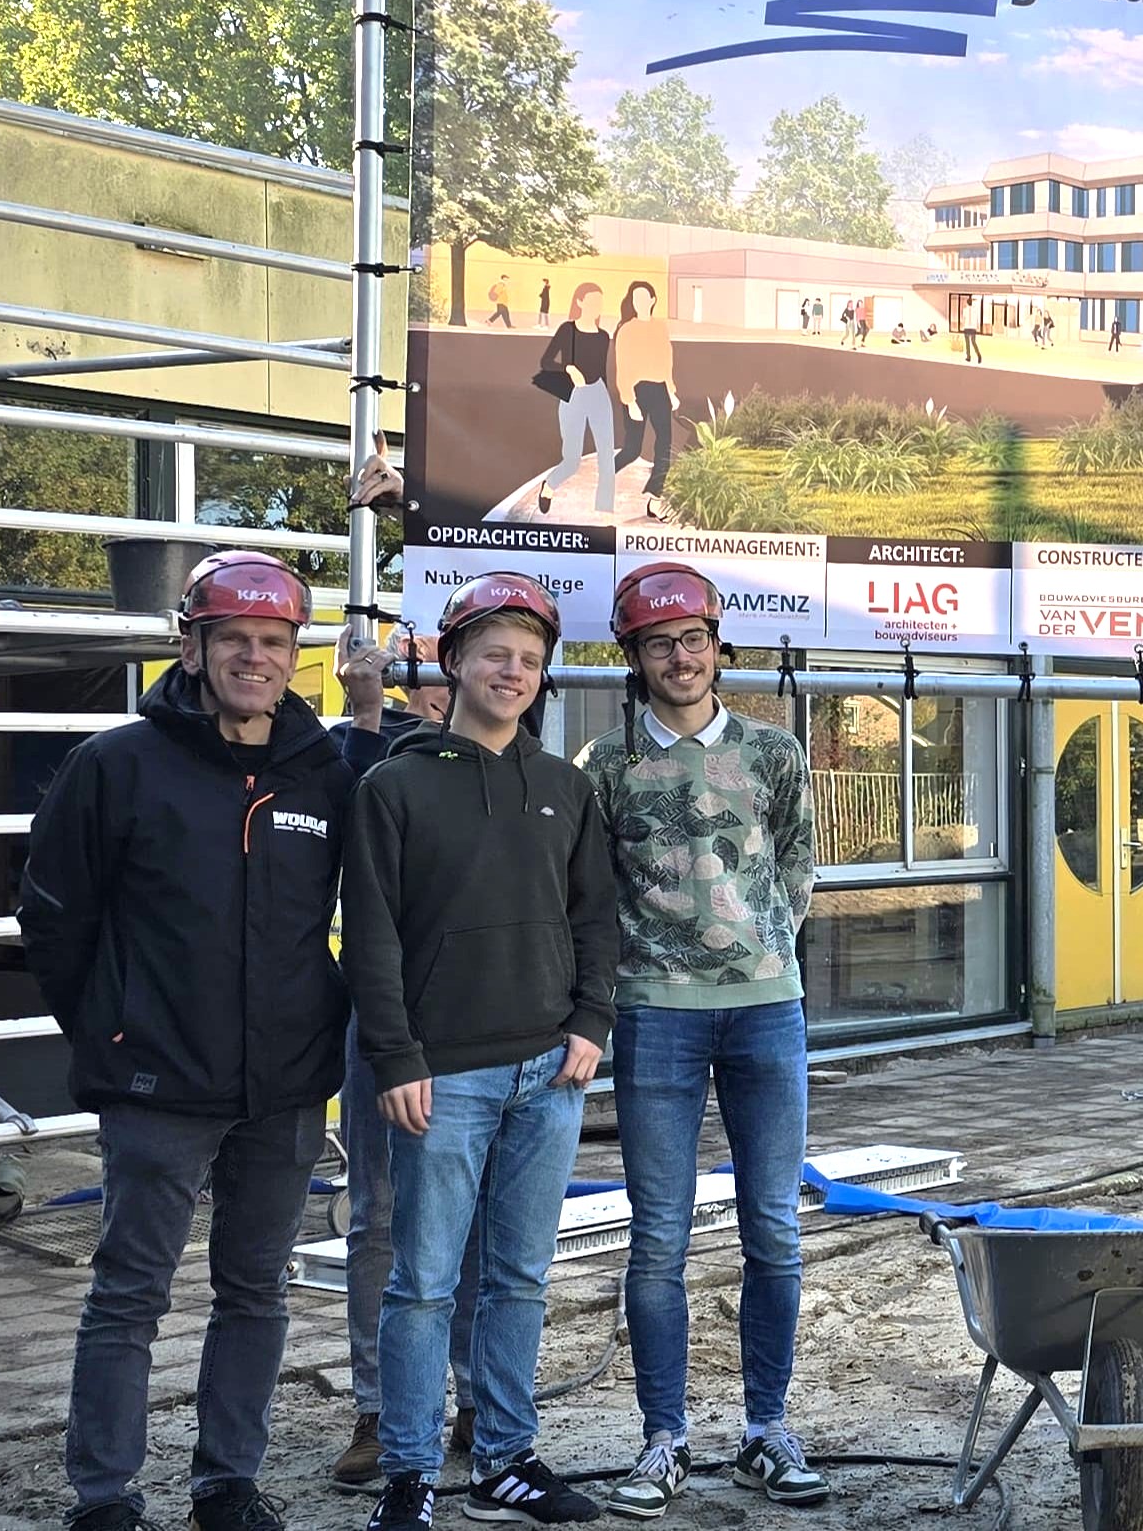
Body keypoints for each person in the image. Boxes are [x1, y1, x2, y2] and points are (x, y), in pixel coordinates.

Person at [20, 551, 357, 1531]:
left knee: (255, 1288)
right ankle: (105, 1496)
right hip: (156, 1083)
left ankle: (226, 1484)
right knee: (130, 1289)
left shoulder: (324, 774)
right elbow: (53, 915)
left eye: (274, 641)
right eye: (235, 639)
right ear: (191, 644)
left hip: (285, 1085)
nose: (255, 657)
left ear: (296, 654)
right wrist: (110, 1030)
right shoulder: (117, 765)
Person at [346, 573, 622, 1529]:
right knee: (421, 1282)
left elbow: (597, 915)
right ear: (453, 659)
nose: (513, 672)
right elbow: (371, 933)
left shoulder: (564, 787)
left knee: (518, 1276)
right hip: (442, 1076)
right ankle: (412, 1473)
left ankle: (506, 1457)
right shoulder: (394, 785)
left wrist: (592, 1022)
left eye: (530, 660)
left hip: (549, 1071)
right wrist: (395, 1057)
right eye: (495, 654)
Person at [573, 563, 828, 1518]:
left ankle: (767, 1428)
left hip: (766, 1009)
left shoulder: (774, 753)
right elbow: (591, 890)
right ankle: (663, 1438)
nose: (679, 658)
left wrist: (762, 942)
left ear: (718, 646)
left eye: (693, 640)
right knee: (659, 1237)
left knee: (774, 1226)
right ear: (633, 658)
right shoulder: (604, 766)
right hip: (652, 1014)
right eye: (656, 644)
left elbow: (798, 860)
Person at [327, 628, 474, 1490]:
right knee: (380, 1217)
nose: (434, 692)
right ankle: (382, 1408)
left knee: (480, 1226)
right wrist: (360, 710)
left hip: (487, 1033)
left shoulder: (519, 767)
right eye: (413, 676)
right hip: (384, 1026)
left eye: (440, 673)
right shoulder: (368, 767)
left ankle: (473, 1400)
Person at [521, 284, 617, 518]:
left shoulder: (604, 336)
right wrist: (568, 369)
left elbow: (601, 370)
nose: (596, 306)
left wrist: (605, 395)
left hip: (598, 393)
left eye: (600, 302)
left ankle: (605, 509)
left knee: (606, 454)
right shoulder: (567, 330)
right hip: (573, 394)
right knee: (572, 459)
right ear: (580, 302)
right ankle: (550, 485)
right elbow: (546, 362)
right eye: (592, 301)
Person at [610, 280, 680, 524]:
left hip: (659, 389)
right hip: (636, 391)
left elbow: (666, 360)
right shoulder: (626, 330)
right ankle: (606, 474)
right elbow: (623, 367)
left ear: (652, 300)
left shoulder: (660, 327)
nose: (640, 302)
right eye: (635, 298)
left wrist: (670, 390)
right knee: (633, 449)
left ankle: (654, 498)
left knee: (664, 445)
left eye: (644, 297)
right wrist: (629, 401)